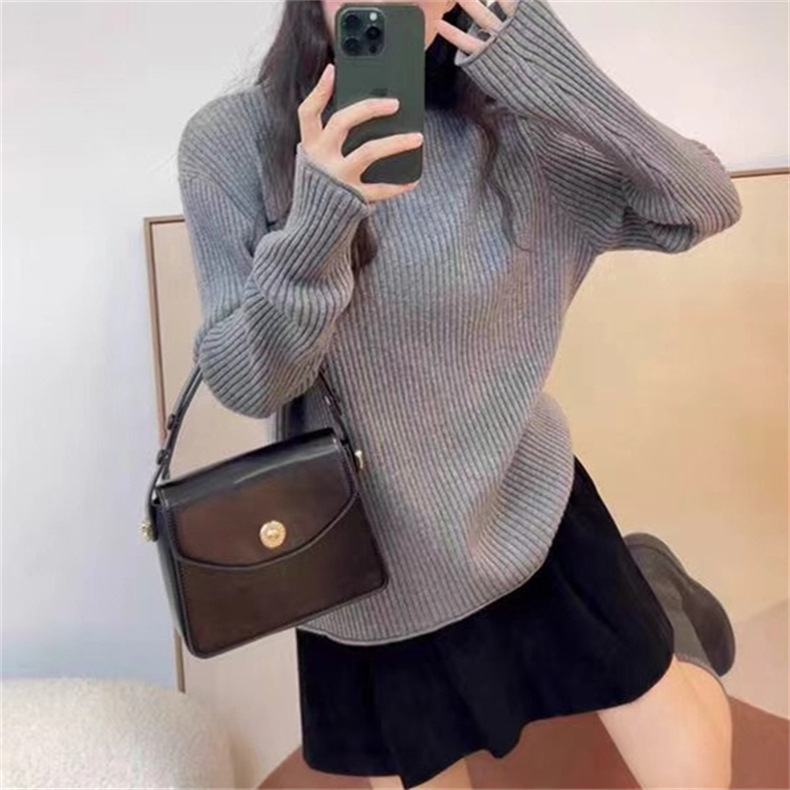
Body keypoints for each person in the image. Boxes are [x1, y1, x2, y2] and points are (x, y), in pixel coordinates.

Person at [176, 0, 742, 787]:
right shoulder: (233, 142)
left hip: (529, 512)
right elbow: (248, 381)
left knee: (689, 771)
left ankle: (663, 611)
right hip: (368, 560)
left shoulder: (519, 128)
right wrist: (319, 218)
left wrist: (544, 59)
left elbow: (704, 204)